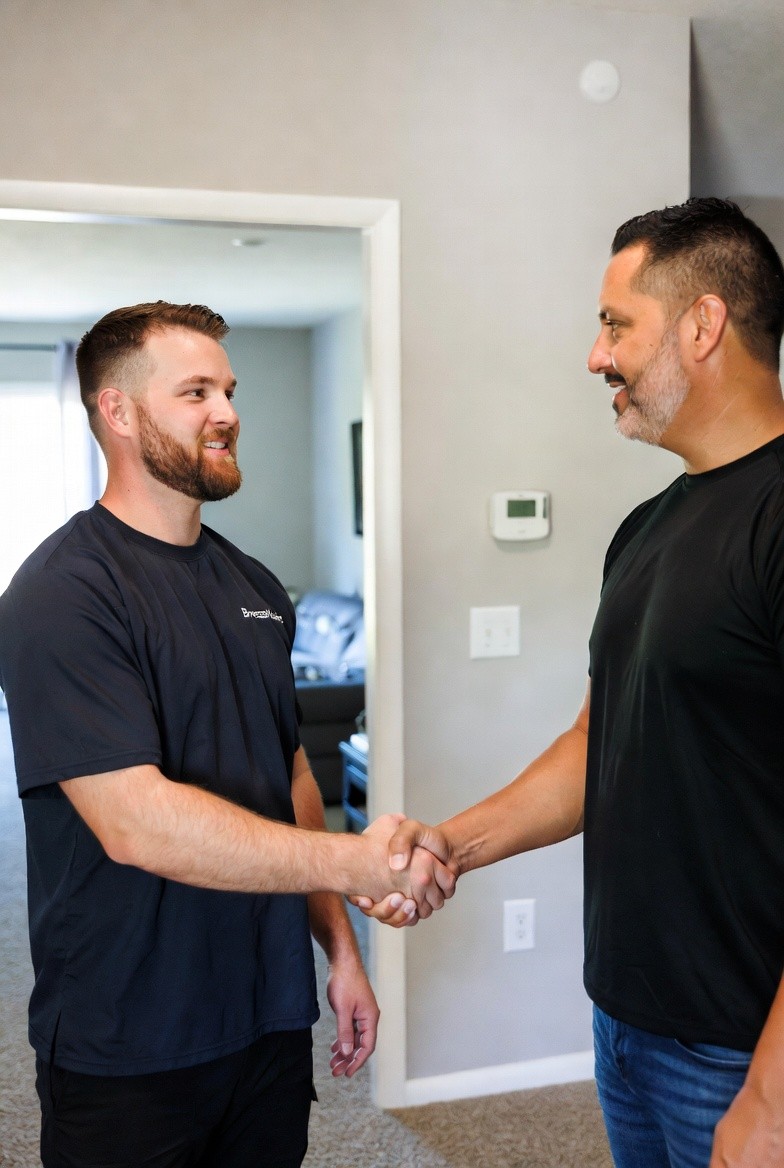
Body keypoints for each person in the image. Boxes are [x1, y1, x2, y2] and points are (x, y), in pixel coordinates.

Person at [358, 198, 784, 1168]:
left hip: (741, 1049)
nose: (597, 357)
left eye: (615, 325)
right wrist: (452, 843)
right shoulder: (645, 529)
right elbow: (601, 743)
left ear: (703, 324)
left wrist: (769, 1098)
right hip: (628, 1023)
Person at [0, 301, 452, 1168]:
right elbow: (135, 824)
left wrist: (342, 952)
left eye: (230, 390)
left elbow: (290, 778)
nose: (227, 413)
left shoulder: (256, 588)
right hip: (129, 1035)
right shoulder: (62, 593)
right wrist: (359, 862)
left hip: (266, 1015)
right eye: (196, 391)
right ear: (118, 410)